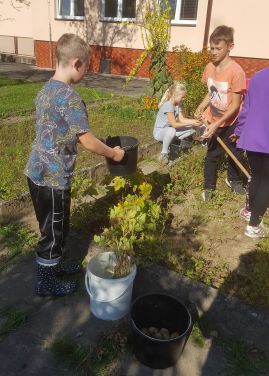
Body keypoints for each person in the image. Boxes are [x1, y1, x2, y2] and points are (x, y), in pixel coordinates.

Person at [24, 33, 125, 297]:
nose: (86, 74)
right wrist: (113, 154)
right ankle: (45, 282)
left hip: (35, 172)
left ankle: (53, 266)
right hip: (53, 178)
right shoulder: (70, 98)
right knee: (54, 232)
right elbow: (89, 141)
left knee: (50, 225)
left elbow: (61, 132)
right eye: (87, 69)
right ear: (77, 63)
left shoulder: (45, 90)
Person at [195, 25, 247, 201]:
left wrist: (218, 123)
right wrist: (202, 105)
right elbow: (212, 92)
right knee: (213, 154)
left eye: (218, 48)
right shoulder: (210, 67)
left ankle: (233, 180)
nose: (213, 52)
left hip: (232, 122)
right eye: (212, 48)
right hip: (214, 119)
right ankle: (208, 186)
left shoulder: (236, 72)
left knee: (235, 153)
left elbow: (235, 104)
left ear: (230, 47)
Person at [234, 67, 269, 238]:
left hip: (252, 136)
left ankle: (249, 211)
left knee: (256, 176)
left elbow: (246, 107)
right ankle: (254, 225)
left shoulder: (257, 76)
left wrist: (239, 130)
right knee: (267, 182)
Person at [153, 81, 201, 164]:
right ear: (175, 95)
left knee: (192, 129)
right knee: (172, 130)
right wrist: (191, 123)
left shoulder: (177, 106)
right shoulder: (168, 105)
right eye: (182, 97)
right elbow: (174, 124)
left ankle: (172, 143)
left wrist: (194, 121)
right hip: (159, 132)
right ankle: (163, 153)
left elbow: (182, 120)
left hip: (169, 130)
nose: (183, 99)